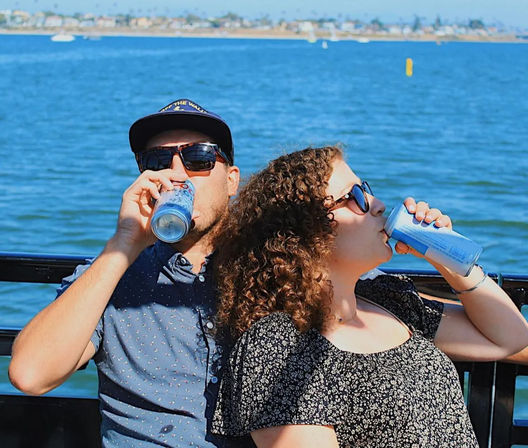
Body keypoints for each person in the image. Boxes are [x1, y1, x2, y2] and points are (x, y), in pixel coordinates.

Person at [210, 146, 528, 447]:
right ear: (305, 231)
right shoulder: (277, 346)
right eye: (356, 197)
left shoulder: (386, 301)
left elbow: (508, 337)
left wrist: (446, 255)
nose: (377, 204)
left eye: (368, 189)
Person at [9, 99, 241, 447]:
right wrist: (124, 244)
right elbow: (31, 374)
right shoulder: (112, 278)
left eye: (198, 158)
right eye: (158, 161)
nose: (176, 174)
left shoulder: (271, 273)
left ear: (232, 180)